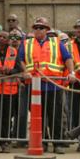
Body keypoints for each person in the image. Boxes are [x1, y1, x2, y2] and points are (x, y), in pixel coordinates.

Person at [20, 16, 76, 150]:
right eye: (36, 28)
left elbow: (67, 58)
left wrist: (72, 72)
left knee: (55, 116)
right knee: (38, 118)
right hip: (34, 87)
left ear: (46, 30)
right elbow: (20, 59)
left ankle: (57, 143)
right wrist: (24, 71)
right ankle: (42, 143)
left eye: (41, 28)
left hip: (53, 86)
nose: (38, 30)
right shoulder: (27, 44)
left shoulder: (56, 43)